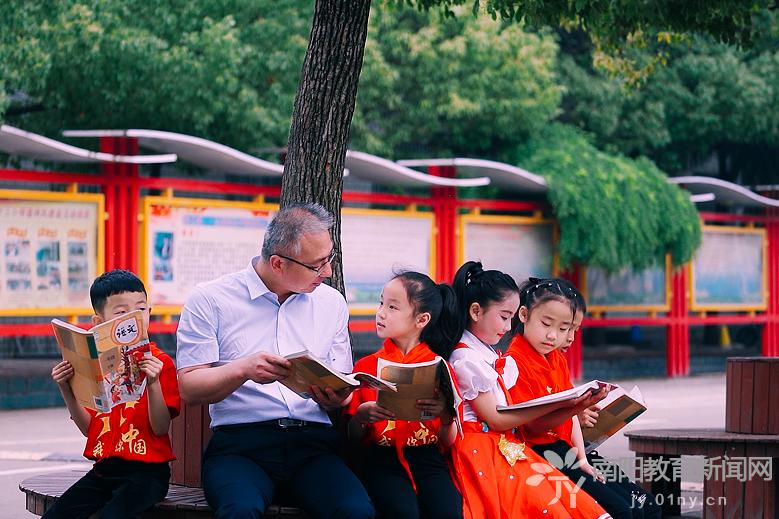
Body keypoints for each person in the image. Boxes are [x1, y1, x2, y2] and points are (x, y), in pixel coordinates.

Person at [176, 202, 374, 519]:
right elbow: (189, 386)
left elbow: (341, 382)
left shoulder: (331, 303)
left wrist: (337, 396)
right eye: (317, 265)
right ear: (278, 263)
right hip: (241, 446)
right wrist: (243, 369)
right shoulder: (211, 299)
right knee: (239, 511)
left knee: (355, 511)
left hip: (313, 445)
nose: (328, 272)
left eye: (329, 259)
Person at [448, 262, 611, 519]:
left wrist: (571, 409)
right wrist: (563, 405)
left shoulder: (487, 353)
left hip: (506, 445)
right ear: (476, 311)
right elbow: (497, 419)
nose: (508, 325)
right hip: (485, 450)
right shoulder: (466, 358)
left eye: (510, 318)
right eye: (504, 317)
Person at [507, 277, 660, 519]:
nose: (554, 336)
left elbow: (571, 417)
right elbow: (532, 425)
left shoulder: (555, 358)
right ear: (523, 315)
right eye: (547, 324)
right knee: (623, 510)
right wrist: (576, 408)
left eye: (565, 329)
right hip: (542, 452)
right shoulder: (514, 362)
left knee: (648, 505)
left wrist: (582, 457)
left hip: (571, 449)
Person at [46, 270, 180, 519]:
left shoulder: (160, 363)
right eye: (121, 313)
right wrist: (66, 387)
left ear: (149, 313)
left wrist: (152, 384)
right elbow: (89, 430)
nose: (133, 318)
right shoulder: (94, 366)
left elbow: (161, 428)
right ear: (98, 323)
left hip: (148, 473)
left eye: (140, 309)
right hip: (105, 470)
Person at [345, 272, 463, 519]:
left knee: (449, 512)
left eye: (392, 307)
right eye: (381, 303)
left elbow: (449, 440)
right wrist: (361, 417)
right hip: (381, 459)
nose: (381, 313)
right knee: (403, 512)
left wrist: (444, 414)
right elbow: (352, 437)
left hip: (428, 458)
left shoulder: (439, 367)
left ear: (422, 319)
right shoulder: (366, 366)